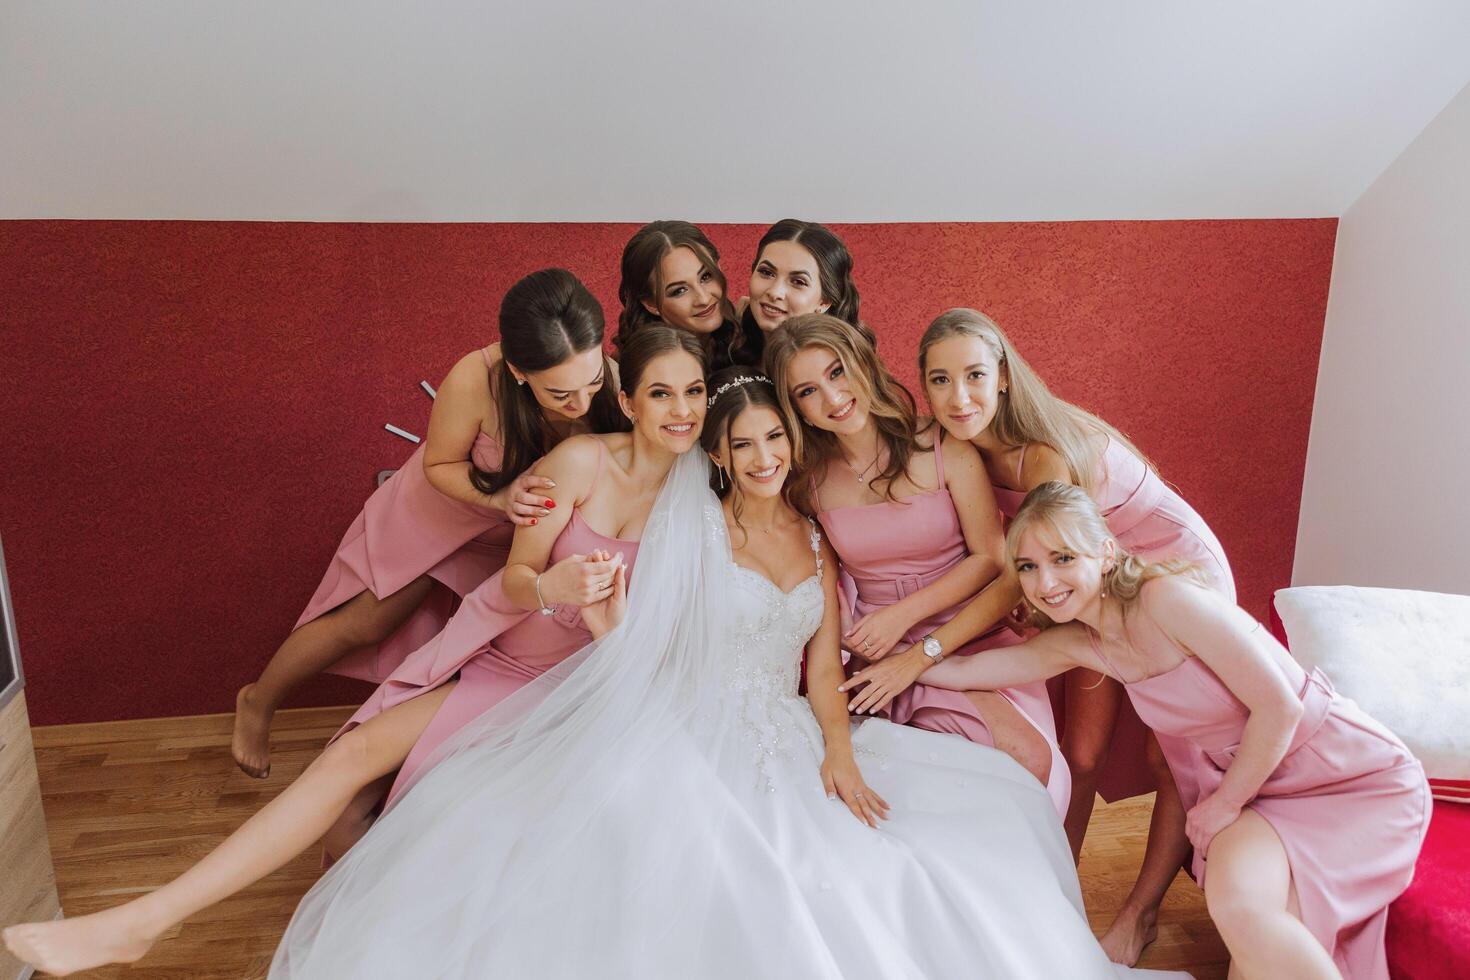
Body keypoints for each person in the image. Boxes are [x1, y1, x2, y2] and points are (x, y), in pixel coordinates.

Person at [0, 326, 708, 977]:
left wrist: (606, 628)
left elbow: (680, 633)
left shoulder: (706, 494)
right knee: (348, 755)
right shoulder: (576, 461)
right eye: (661, 392)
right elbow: (518, 577)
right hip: (501, 659)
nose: (681, 410)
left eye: (695, 391)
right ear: (627, 399)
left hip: (581, 682)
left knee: (476, 821)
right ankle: (142, 920)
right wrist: (550, 585)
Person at [848, 481, 1430, 980]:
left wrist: (1221, 804)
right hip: (1262, 795)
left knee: (1259, 933)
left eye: (1062, 558)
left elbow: (1281, 708)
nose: (1045, 581)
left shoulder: (1167, 599)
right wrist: (888, 661)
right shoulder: (1084, 642)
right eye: (1027, 566)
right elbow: (973, 669)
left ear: (1104, 553)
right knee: (1242, 907)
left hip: (1342, 776)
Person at [911, 307, 1234, 962]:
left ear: (1003, 376)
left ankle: (1140, 914)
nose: (958, 396)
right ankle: (1056, 898)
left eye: (974, 375)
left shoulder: (1047, 451)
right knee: (1081, 753)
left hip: (1170, 575)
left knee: (1169, 754)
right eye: (940, 380)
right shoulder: (958, 448)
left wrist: (925, 647)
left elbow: (1016, 573)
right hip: (1086, 592)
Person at [231, 268, 626, 778]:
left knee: (475, 635)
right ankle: (258, 702)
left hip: (513, 532)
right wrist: (504, 496)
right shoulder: (473, 377)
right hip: (441, 509)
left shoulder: (605, 380)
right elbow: (439, 466)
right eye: (561, 394)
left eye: (592, 380)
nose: (582, 404)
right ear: (518, 371)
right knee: (368, 619)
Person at [765, 313, 1069, 815]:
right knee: (911, 784)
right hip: (880, 652)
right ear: (795, 408)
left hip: (968, 632)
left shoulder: (942, 444)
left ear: (863, 364)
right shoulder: (808, 482)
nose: (833, 398)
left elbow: (993, 559)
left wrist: (910, 631)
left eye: (837, 372)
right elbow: (821, 577)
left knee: (1028, 759)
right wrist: (851, 637)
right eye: (807, 391)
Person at [614, 219, 759, 369]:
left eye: (706, 276)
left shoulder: (743, 332)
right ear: (651, 304)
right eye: (679, 291)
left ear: (718, 266)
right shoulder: (641, 367)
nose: (703, 298)